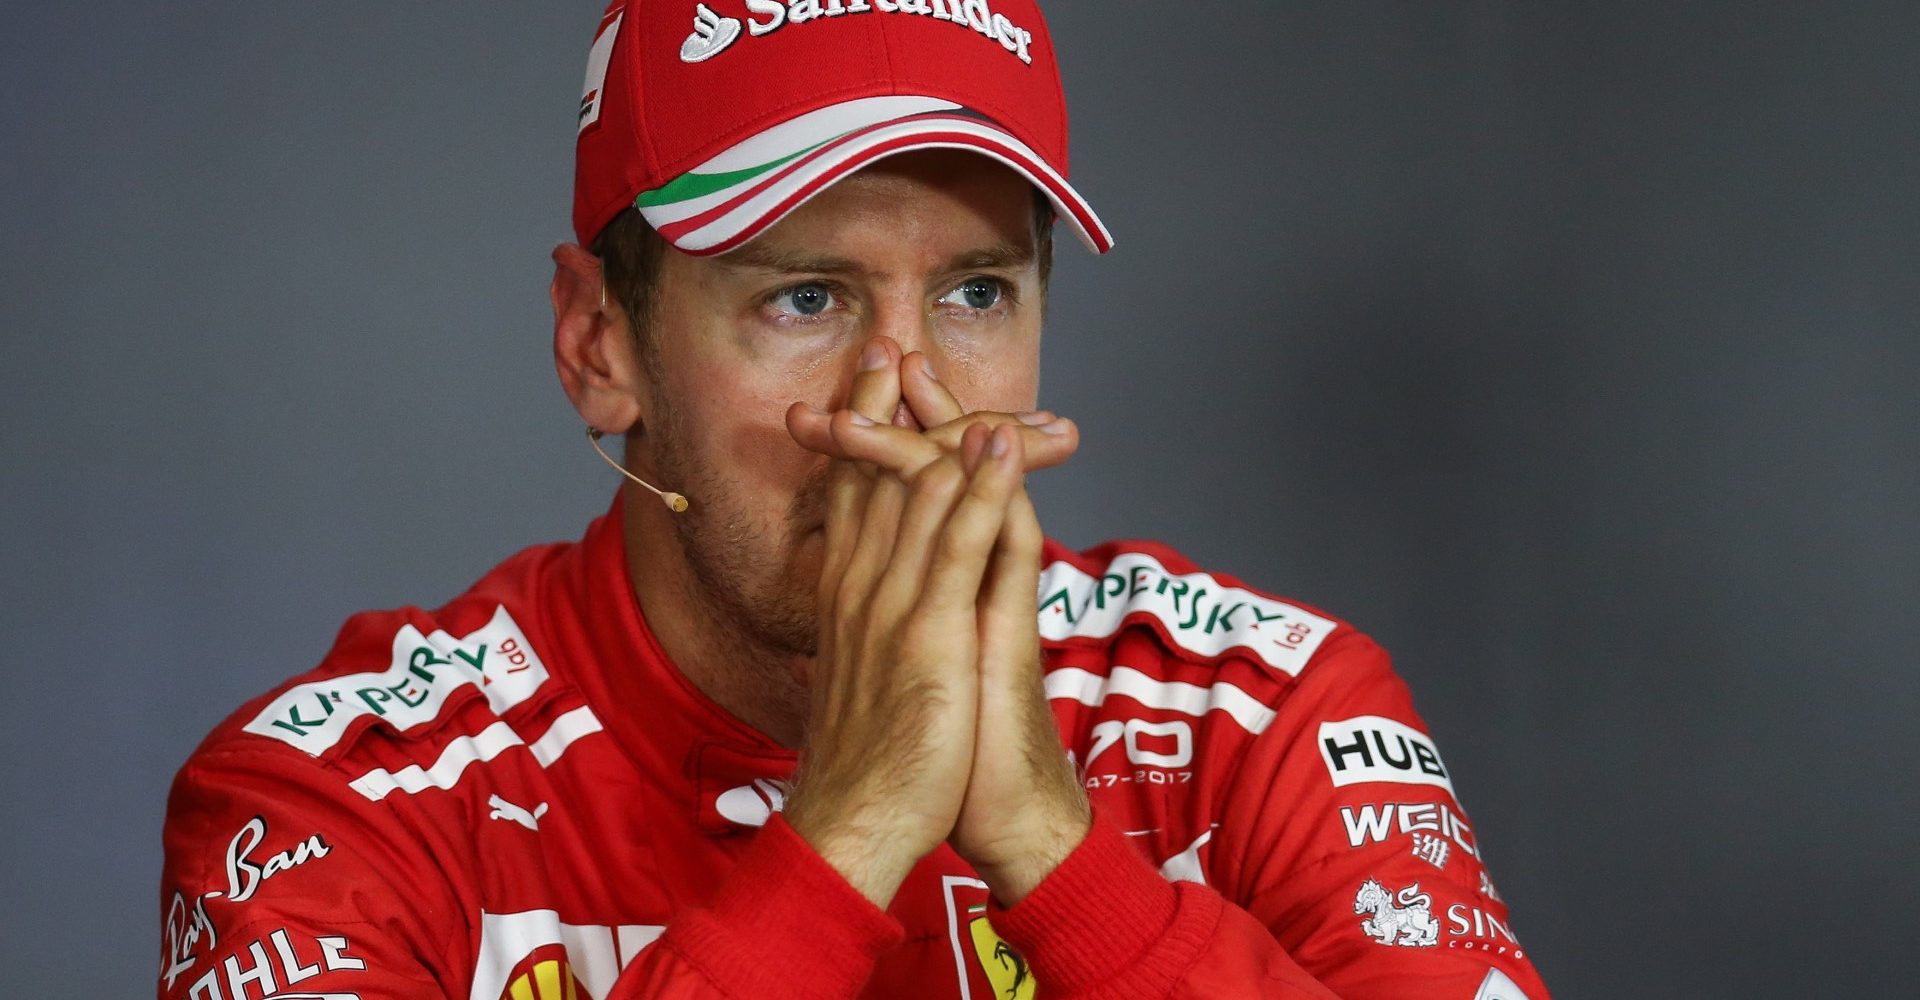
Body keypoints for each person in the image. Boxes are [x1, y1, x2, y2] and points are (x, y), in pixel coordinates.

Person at [158, 2, 1552, 998]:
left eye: (975, 294)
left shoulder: (1263, 714)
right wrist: (854, 826)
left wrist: (1065, 862)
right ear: (602, 344)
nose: (902, 396)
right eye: (805, 296)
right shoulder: (334, 805)